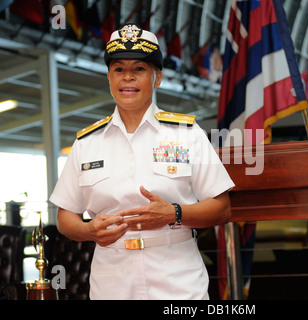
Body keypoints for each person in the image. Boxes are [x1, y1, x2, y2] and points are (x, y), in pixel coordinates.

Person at [49, 24, 235, 300]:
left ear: (157, 77)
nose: (128, 78)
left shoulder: (187, 134)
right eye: (119, 69)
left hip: (177, 280)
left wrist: (174, 214)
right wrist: (89, 231)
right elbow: (65, 217)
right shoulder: (86, 143)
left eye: (139, 69)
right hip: (112, 280)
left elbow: (222, 209)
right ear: (109, 78)